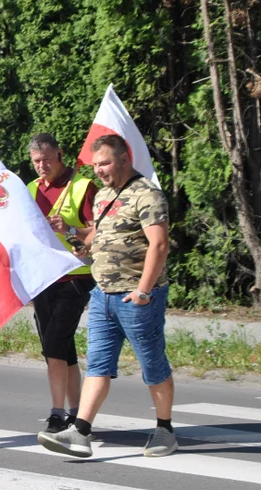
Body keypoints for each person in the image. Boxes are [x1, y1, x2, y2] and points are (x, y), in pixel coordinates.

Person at [37, 134, 176, 458]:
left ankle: (165, 430)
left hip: (137, 297)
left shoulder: (147, 195)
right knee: (98, 364)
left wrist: (143, 291)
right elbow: (97, 235)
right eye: (96, 164)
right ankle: (81, 432)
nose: (99, 169)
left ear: (124, 159)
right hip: (102, 294)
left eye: (105, 163)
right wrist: (75, 234)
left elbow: (159, 244)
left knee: (152, 365)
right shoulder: (104, 197)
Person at [26, 133, 98, 434]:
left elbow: (97, 234)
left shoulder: (82, 186)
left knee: (54, 345)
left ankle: (56, 413)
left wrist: (69, 229)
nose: (41, 166)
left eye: (46, 160)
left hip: (75, 278)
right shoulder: (31, 189)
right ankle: (75, 411)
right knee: (61, 348)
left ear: (60, 154)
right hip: (44, 277)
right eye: (36, 162)